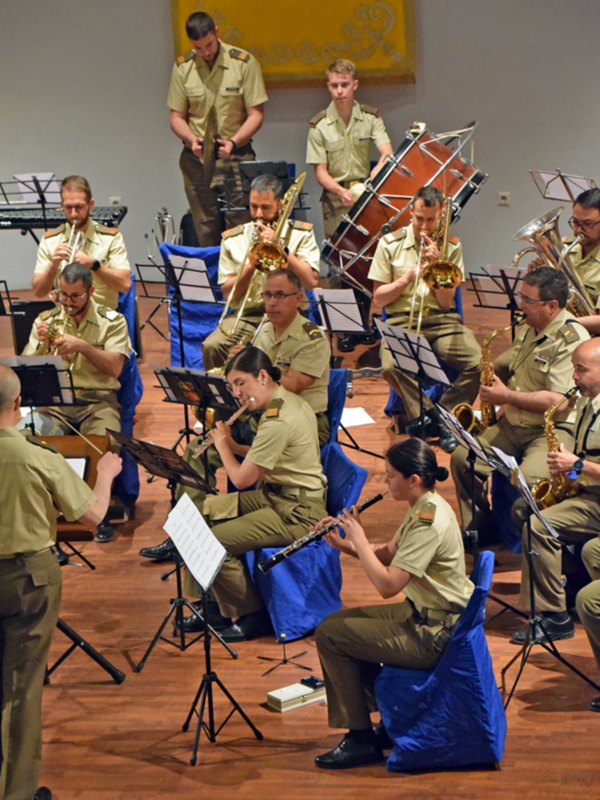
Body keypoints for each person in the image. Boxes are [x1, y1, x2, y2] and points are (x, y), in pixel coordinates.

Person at [139, 269, 330, 568]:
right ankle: (180, 530)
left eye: (279, 295)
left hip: (301, 424)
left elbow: (289, 387)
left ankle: (209, 541)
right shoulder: (263, 329)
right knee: (197, 449)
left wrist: (251, 367)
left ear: (299, 298)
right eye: (267, 294)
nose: (271, 302)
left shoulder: (313, 338)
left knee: (226, 449)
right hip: (262, 415)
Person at [0, 365, 122, 800]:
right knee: (20, 690)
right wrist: (105, 475)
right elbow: (91, 516)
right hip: (29, 579)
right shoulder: (38, 455)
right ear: (18, 404)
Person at [313, 438, 473, 769]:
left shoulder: (429, 522)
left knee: (331, 637)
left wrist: (358, 537)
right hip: (422, 611)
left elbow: (387, 585)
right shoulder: (424, 505)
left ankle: (360, 737)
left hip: (436, 632)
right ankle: (386, 718)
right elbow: (387, 553)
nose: (385, 482)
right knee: (334, 626)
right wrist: (342, 543)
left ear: (412, 479)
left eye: (389, 476)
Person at [182, 347, 327, 642]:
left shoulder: (277, 419)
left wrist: (222, 445)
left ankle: (253, 614)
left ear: (262, 376)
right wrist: (235, 448)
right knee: (199, 513)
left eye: (240, 383)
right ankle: (209, 604)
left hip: (297, 510)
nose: (236, 393)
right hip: (278, 496)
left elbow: (241, 478)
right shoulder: (285, 402)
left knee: (213, 542)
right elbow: (267, 453)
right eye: (232, 386)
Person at [451, 267, 590, 538]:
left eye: (527, 300)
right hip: (512, 421)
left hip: (549, 432)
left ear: (552, 306)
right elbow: (514, 365)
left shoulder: (570, 340)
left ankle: (534, 545)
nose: (520, 305)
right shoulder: (530, 326)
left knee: (530, 481)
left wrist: (505, 397)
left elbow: (559, 402)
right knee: (462, 458)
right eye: (521, 297)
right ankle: (480, 526)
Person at [22, 262, 132, 542]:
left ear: (91, 292)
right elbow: (26, 370)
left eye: (75, 296)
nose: (67, 303)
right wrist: (40, 345)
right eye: (62, 295)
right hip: (56, 403)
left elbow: (116, 369)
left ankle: (100, 513)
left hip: (97, 402)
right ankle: (42, 510)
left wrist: (83, 346)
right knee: (26, 436)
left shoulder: (113, 320)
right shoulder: (47, 320)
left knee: (104, 441)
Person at [368, 185, 482, 451]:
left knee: (477, 362)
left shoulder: (451, 247)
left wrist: (437, 266)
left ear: (441, 216)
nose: (424, 226)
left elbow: (446, 301)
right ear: (411, 212)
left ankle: (445, 414)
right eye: (419, 218)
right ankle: (432, 416)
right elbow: (379, 298)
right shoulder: (390, 243)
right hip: (401, 320)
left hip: (443, 321)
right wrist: (406, 279)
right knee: (389, 365)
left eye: (431, 220)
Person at [511, 338, 600, 646]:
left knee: (539, 526)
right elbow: (590, 457)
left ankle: (554, 617)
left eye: (581, 369)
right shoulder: (590, 401)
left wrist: (577, 465)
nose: (573, 376)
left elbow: (588, 463)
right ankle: (574, 583)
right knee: (523, 509)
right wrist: (570, 476)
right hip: (589, 491)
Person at [306, 58, 393, 352]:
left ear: (354, 85)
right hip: (335, 199)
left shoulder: (370, 118)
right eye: (334, 85)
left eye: (345, 85)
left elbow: (387, 152)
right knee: (340, 267)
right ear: (328, 86)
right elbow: (320, 172)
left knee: (367, 263)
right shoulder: (319, 125)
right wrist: (340, 191)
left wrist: (379, 166)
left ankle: (365, 324)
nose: (340, 91)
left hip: (364, 195)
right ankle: (344, 329)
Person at [167, 11, 268, 246]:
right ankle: (213, 281)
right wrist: (192, 140)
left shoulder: (243, 63)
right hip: (196, 161)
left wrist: (232, 143)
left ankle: (239, 280)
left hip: (236, 156)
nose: (206, 52)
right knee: (205, 227)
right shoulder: (183, 67)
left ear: (217, 31)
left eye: (209, 45)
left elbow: (256, 114)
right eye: (198, 48)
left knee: (241, 227)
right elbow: (176, 117)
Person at [202, 173, 320, 370]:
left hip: (289, 316)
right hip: (248, 315)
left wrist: (282, 251)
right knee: (212, 346)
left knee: (265, 350)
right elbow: (227, 294)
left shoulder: (301, 234)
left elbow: (311, 281)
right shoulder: (233, 239)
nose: (258, 214)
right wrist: (251, 264)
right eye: (253, 206)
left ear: (280, 205)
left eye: (265, 207)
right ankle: (226, 398)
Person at [31, 175, 131, 311]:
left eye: (79, 207)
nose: (73, 214)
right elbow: (38, 292)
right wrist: (53, 266)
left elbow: (125, 285)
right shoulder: (50, 240)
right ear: (61, 206)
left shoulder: (111, 238)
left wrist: (94, 264)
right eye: (68, 207)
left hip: (102, 320)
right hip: (65, 317)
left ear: (91, 204)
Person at [562, 188, 600, 334]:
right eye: (575, 222)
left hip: (590, 336)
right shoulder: (564, 249)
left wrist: (560, 323)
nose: (578, 230)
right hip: (561, 329)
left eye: (588, 224)